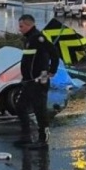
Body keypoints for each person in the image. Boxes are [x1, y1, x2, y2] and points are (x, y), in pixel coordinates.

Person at [14, 14, 61, 150]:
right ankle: (26, 137)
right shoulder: (29, 39)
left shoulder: (38, 38)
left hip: (39, 81)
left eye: (21, 26)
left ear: (29, 25)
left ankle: (43, 139)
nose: (19, 29)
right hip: (29, 81)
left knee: (40, 110)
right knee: (20, 106)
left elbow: (54, 52)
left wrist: (52, 70)